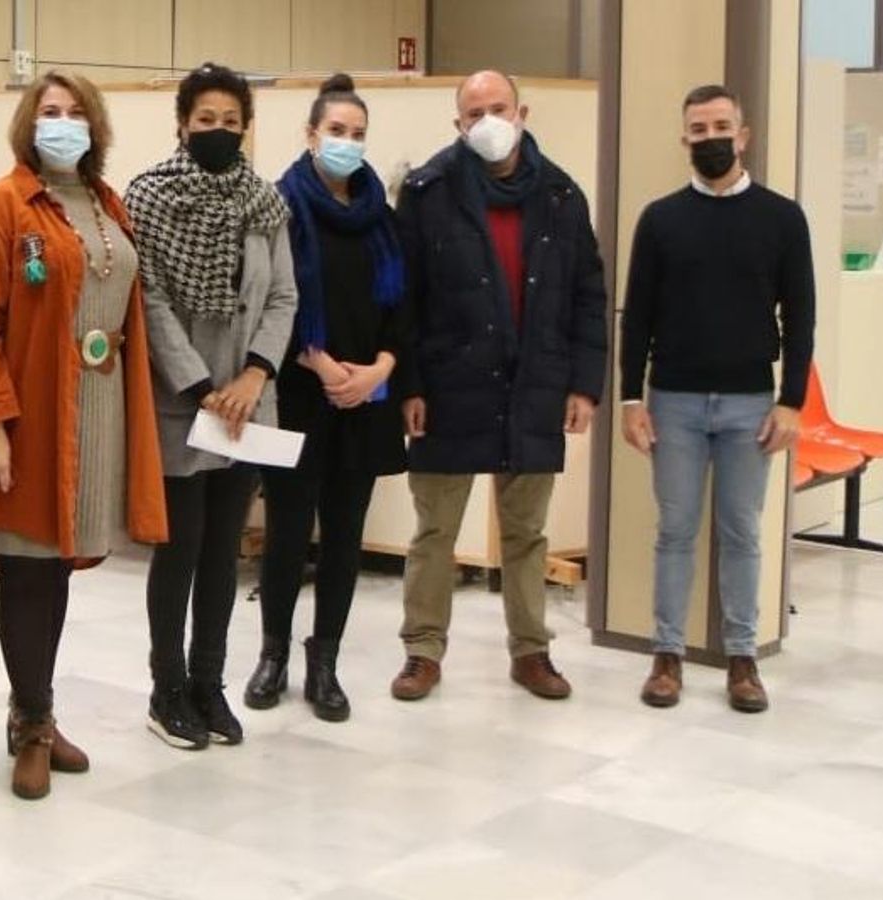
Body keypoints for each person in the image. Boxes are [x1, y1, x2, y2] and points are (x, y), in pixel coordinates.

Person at [0, 70, 167, 799]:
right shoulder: (1, 205)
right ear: (27, 123)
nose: (63, 123)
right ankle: (32, 724)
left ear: (95, 125)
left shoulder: (107, 203)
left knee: (60, 562)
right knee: (27, 562)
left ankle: (36, 709)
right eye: (50, 112)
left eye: (76, 113)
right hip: (32, 411)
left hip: (96, 408)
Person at [389, 70, 607, 702]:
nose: (488, 120)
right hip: (449, 384)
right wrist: (410, 384)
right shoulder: (428, 191)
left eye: (499, 107)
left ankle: (532, 650)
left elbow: (588, 296)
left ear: (522, 111)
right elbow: (405, 302)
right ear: (458, 124)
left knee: (527, 533)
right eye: (474, 112)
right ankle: (422, 650)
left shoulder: (563, 195)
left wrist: (584, 385)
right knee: (435, 532)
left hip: (533, 383)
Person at [621, 84, 814, 713]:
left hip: (751, 404)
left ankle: (742, 659)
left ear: (744, 134)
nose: (711, 139)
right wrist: (629, 399)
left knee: (741, 532)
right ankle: (667, 656)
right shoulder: (659, 219)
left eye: (721, 127)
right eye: (699, 130)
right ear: (684, 138)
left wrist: (791, 402)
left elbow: (802, 318)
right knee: (674, 530)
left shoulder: (783, 218)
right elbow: (637, 317)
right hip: (671, 399)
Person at [125, 62, 296, 749]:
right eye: (206, 120)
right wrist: (202, 388)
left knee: (224, 553)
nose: (218, 132)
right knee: (181, 549)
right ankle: (166, 689)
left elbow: (283, 295)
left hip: (248, 405)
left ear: (245, 128)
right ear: (182, 124)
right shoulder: (148, 197)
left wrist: (254, 376)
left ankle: (208, 683)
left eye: (231, 122)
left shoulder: (265, 203)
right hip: (183, 402)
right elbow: (152, 302)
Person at [245, 73, 408, 722]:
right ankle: (273, 655)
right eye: (336, 131)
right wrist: (317, 361)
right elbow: (268, 300)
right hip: (298, 395)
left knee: (345, 538)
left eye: (357, 134)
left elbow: (403, 311)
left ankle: (326, 662)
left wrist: (378, 371)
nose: (347, 143)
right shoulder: (280, 207)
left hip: (365, 400)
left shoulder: (383, 220)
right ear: (310, 135)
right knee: (287, 533)